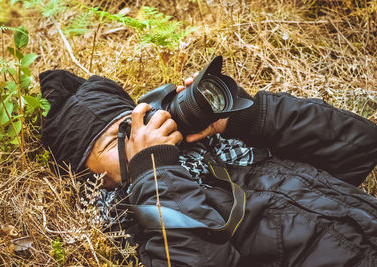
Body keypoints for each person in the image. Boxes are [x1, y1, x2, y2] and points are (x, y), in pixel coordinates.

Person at [39, 61, 377, 267]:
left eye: (136, 126)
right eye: (115, 142)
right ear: (88, 175)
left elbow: (361, 147)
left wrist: (249, 118)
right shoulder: (133, 221)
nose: (137, 139)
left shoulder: (229, 150)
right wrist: (155, 172)